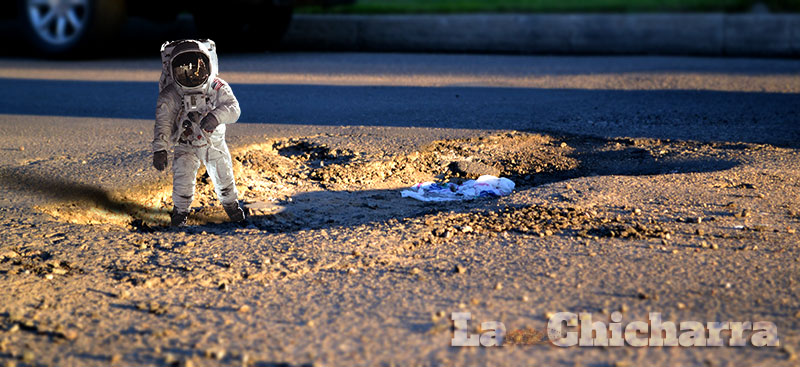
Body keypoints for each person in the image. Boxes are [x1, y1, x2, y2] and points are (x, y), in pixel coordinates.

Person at [151, 39, 245, 226]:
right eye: (183, 70)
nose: (192, 75)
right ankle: (180, 212)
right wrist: (160, 149)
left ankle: (231, 206)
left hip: (213, 143)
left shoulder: (217, 87)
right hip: (185, 144)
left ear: (208, 65)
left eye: (197, 68)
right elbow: (163, 123)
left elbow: (234, 109)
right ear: (172, 70)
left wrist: (216, 117)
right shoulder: (171, 94)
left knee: (223, 175)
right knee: (183, 179)